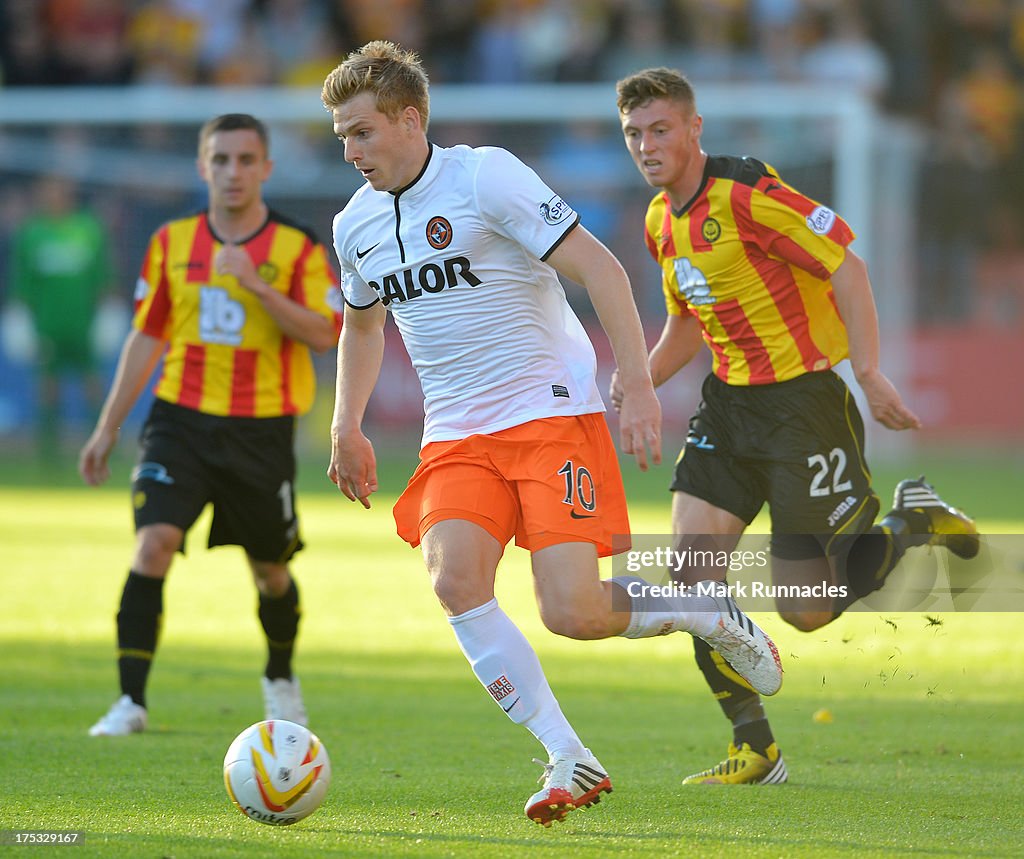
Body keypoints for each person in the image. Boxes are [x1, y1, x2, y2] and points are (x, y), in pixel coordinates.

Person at [321, 41, 783, 826]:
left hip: (547, 412)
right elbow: (363, 328)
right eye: (342, 138)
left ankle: (704, 612)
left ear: (410, 118)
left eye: (363, 132)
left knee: (570, 612)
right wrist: (346, 424)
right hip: (458, 432)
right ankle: (567, 753)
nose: (352, 151)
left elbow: (601, 268)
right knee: (454, 581)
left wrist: (636, 384)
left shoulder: (484, 175)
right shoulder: (354, 223)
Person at [613, 67, 979, 785]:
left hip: (803, 405)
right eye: (634, 134)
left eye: (660, 129)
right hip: (729, 407)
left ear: (694, 128)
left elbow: (847, 265)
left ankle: (915, 523)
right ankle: (757, 746)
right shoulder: (661, 220)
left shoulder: (746, 193)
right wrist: (631, 387)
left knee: (805, 610)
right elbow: (687, 320)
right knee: (693, 585)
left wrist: (869, 371)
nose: (647, 145)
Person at [79, 114, 341, 737]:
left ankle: (279, 678)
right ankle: (130, 701)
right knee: (154, 544)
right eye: (220, 159)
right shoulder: (171, 242)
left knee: (269, 570)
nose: (233, 172)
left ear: (266, 169)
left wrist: (255, 286)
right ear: (203, 167)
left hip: (261, 429)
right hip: (181, 421)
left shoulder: (297, 247)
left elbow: (325, 333)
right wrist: (108, 426)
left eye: (246, 160)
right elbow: (147, 335)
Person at [8, 175, 114, 457]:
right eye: (49, 189)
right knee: (47, 384)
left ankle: (101, 443)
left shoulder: (88, 228)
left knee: (92, 382)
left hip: (83, 324)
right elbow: (24, 283)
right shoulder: (32, 233)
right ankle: (48, 451)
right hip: (47, 325)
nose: (55, 194)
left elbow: (102, 276)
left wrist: (106, 312)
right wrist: (20, 317)